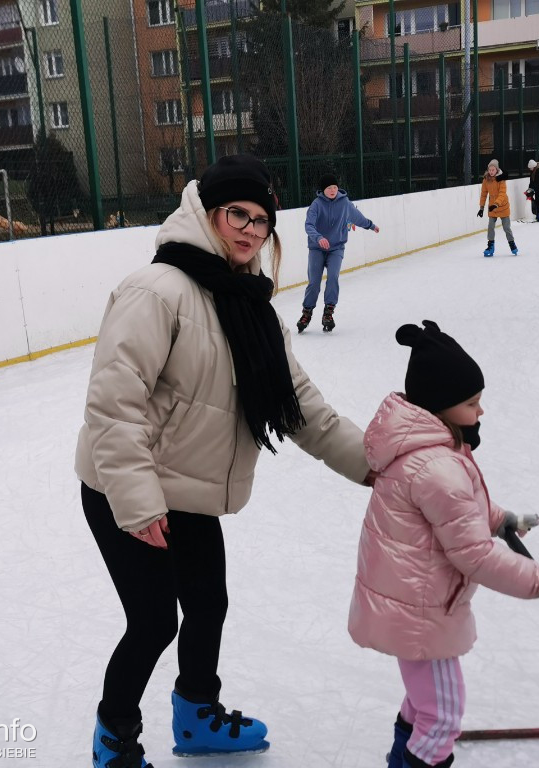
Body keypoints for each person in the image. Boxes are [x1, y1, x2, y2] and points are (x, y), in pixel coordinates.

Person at [76, 154, 374, 768]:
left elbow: (302, 410)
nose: (250, 230)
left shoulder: (252, 309)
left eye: (262, 221)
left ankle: (196, 716)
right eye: (238, 213)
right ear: (207, 212)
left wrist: (376, 464)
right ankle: (114, 739)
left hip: (188, 492)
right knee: (155, 621)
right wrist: (137, 504)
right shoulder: (157, 291)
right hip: (123, 489)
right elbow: (113, 404)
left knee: (208, 604)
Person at [348, 320, 539, 768]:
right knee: (442, 718)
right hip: (422, 614)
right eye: (472, 403)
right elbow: (474, 555)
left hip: (410, 604)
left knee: (424, 705)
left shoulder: (430, 448)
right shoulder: (437, 466)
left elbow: (457, 512)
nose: (481, 412)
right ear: (440, 405)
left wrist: (503, 519)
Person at [297, 172, 379, 334]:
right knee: (314, 282)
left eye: (335, 187)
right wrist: (318, 238)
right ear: (323, 190)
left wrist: (371, 225)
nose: (333, 190)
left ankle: (328, 312)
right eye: (329, 188)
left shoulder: (345, 203)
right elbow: (309, 226)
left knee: (333, 277)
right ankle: (307, 312)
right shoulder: (316, 205)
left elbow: (358, 218)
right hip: (317, 249)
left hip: (336, 248)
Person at [476, 159, 518, 257]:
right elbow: (483, 194)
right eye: (489, 170)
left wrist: (496, 204)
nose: (491, 172)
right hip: (493, 208)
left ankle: (512, 245)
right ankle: (490, 246)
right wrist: (481, 208)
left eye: (493, 170)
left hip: (503, 206)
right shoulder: (486, 179)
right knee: (490, 227)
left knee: (506, 228)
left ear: (497, 170)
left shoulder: (501, 179)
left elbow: (502, 194)